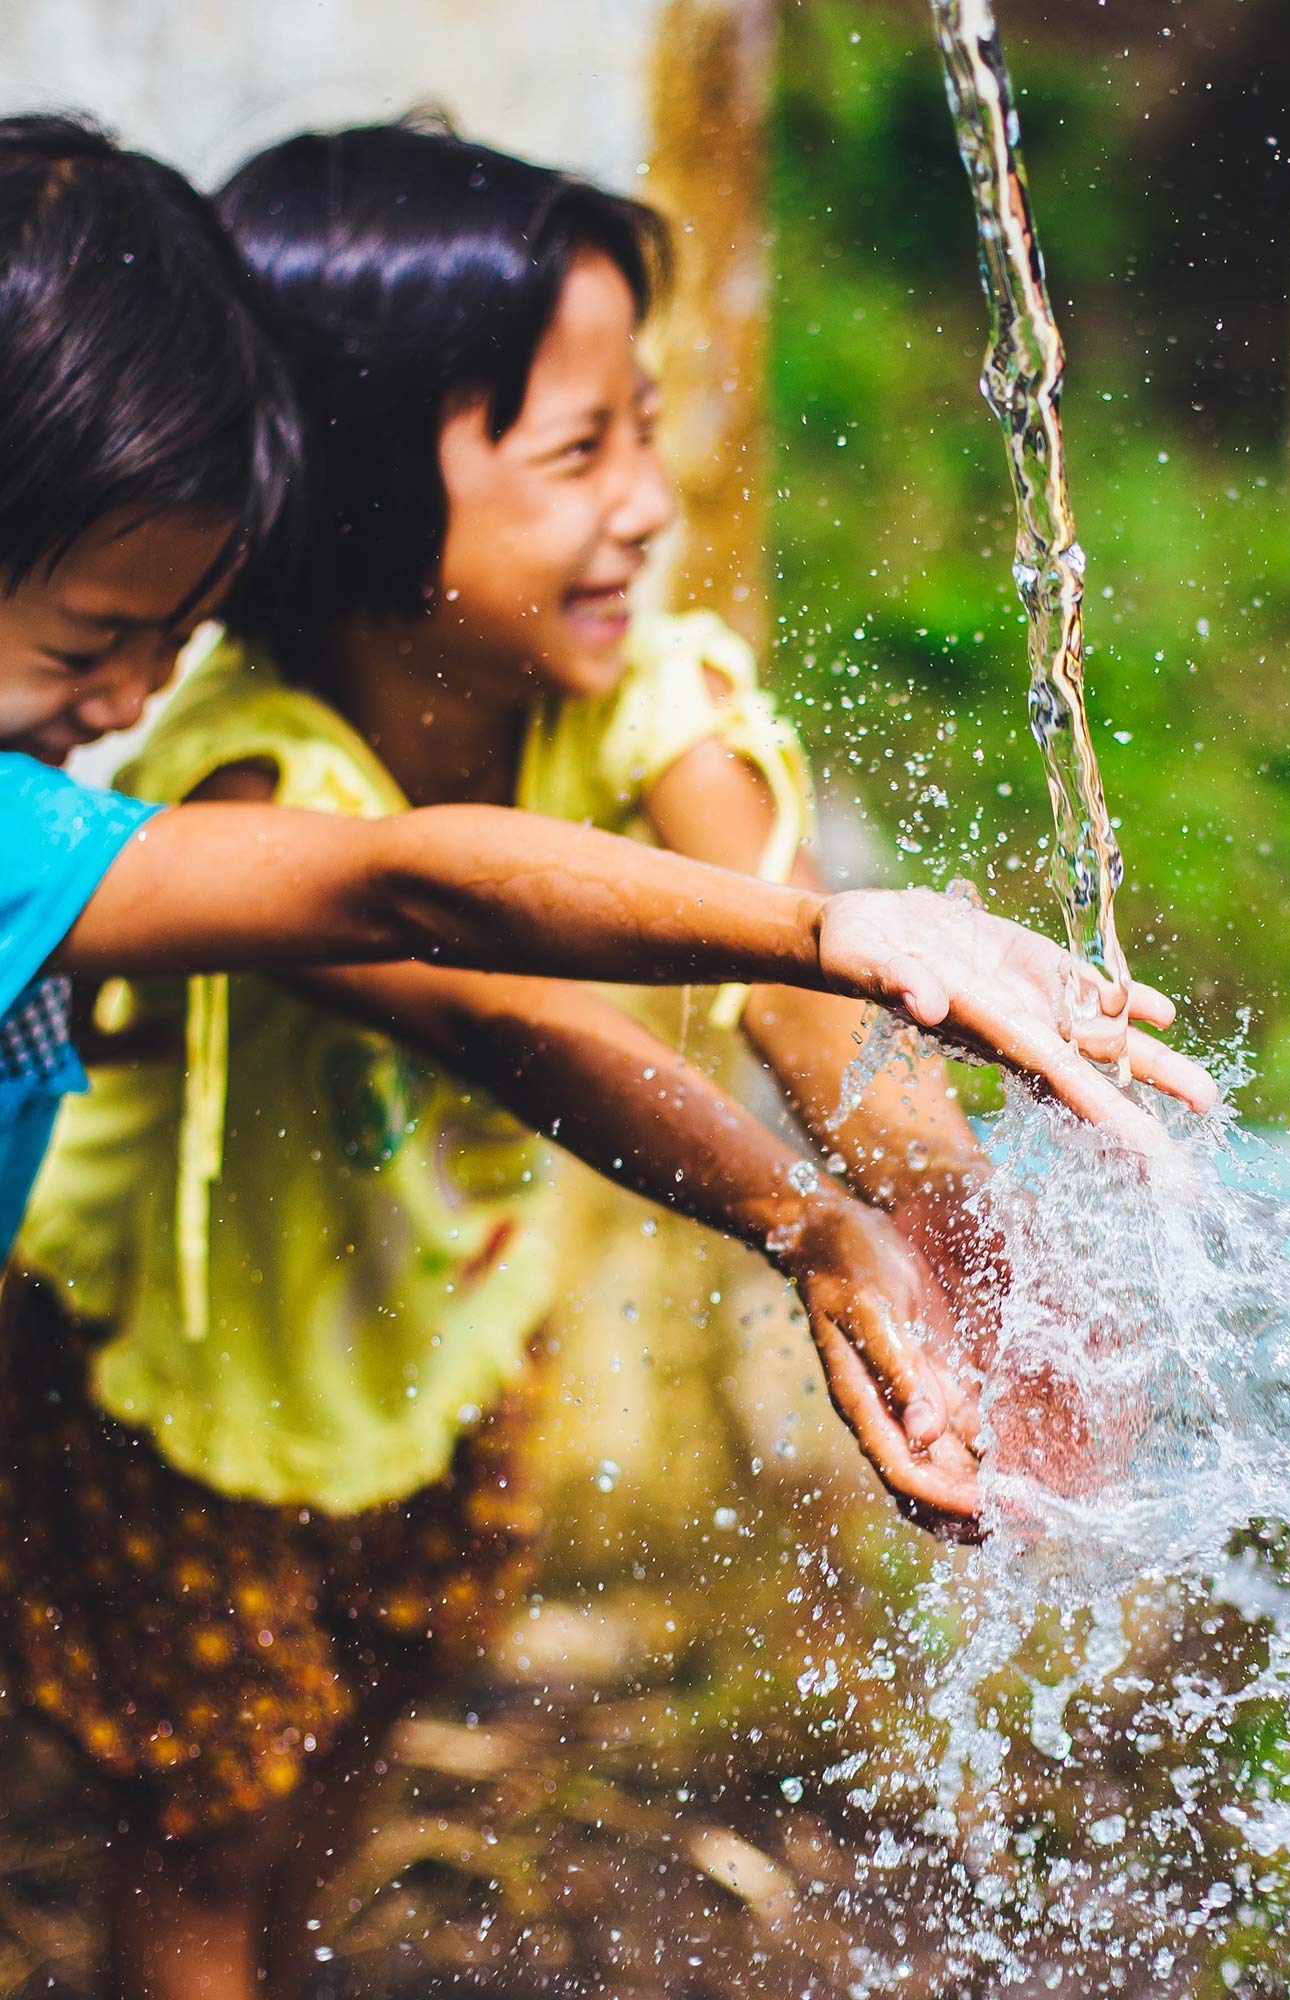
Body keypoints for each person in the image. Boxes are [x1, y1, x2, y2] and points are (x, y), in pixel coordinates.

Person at [14, 117, 1211, 1996]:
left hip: (448, 1321)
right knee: (209, 1808)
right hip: (182, 1365)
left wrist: (952, 1216)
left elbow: (798, 975)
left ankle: (283, 1960)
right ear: (342, 498)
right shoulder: (242, 774)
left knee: (383, 1687)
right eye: (578, 452)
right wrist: (798, 1225)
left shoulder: (642, 689)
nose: (648, 501)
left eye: (645, 427)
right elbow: (500, 998)